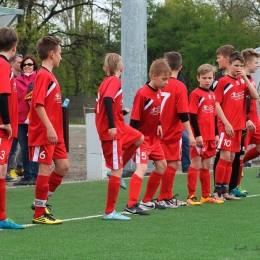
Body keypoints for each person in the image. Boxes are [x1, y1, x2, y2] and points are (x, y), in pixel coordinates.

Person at [95, 53, 144, 220]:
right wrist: (111, 125)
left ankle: (117, 169)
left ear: (105, 69)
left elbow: (105, 105)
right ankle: (109, 212)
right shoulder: (115, 81)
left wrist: (120, 114)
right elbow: (108, 100)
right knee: (117, 170)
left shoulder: (105, 82)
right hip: (112, 130)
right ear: (121, 68)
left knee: (139, 138)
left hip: (117, 126)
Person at [28, 36, 69, 225]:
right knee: (46, 168)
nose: (61, 57)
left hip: (56, 134)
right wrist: (50, 127)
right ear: (52, 54)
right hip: (46, 133)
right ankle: (39, 213)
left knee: (63, 166)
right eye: (59, 53)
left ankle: (42, 202)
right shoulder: (43, 76)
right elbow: (38, 105)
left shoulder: (51, 76)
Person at [123, 58, 171, 215]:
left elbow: (155, 113)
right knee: (142, 168)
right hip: (142, 139)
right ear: (154, 76)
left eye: (168, 79)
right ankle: (131, 205)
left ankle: (146, 201)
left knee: (162, 165)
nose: (166, 83)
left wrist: (158, 124)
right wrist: (133, 141)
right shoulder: (143, 94)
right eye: (164, 79)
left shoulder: (159, 92)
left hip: (153, 139)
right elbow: (135, 119)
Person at [213, 51, 259, 201]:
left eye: (240, 66)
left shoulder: (241, 81)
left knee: (232, 157)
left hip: (239, 126)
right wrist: (225, 123)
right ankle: (217, 191)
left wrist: (244, 77)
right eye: (235, 66)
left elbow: (255, 96)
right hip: (227, 126)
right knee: (225, 156)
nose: (238, 68)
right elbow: (217, 104)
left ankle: (225, 190)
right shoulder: (223, 81)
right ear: (229, 65)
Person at [156, 52, 196, 207]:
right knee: (173, 164)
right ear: (180, 67)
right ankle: (164, 197)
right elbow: (183, 114)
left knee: (161, 164)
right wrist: (191, 134)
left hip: (157, 130)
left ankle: (164, 197)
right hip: (172, 131)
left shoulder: (156, 83)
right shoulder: (179, 86)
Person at [186, 64, 223, 205]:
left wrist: (216, 134)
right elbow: (193, 116)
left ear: (214, 78)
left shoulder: (213, 95)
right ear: (198, 78)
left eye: (209, 78)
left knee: (207, 165)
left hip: (210, 137)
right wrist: (197, 135)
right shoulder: (195, 94)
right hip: (199, 137)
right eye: (204, 78)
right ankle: (191, 196)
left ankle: (206, 196)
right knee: (195, 163)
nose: (207, 80)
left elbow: (214, 116)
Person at [0, 27, 24, 229]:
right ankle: (1, 217)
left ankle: (2, 216)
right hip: (2, 129)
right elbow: (1, 95)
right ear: (14, 47)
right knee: (0, 171)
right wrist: (7, 122)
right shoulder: (2, 65)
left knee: (1, 171)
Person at [237, 48, 260, 191]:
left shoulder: (250, 78)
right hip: (245, 122)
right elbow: (239, 103)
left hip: (255, 120)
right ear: (248, 63)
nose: (258, 65)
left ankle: (240, 166)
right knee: (240, 153)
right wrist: (245, 119)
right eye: (256, 63)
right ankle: (236, 185)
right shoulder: (240, 79)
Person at [14, 55, 39, 186]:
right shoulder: (17, 81)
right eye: (24, 64)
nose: (26, 67)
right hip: (20, 119)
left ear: (34, 65)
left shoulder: (39, 79)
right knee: (24, 149)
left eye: (29, 64)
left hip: (35, 119)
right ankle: (27, 175)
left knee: (34, 147)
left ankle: (35, 175)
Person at [5, 54, 24, 182]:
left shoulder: (22, 78)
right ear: (12, 63)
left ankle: (15, 167)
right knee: (10, 147)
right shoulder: (8, 76)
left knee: (18, 146)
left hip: (20, 117)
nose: (21, 65)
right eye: (19, 62)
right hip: (9, 118)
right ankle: (6, 170)